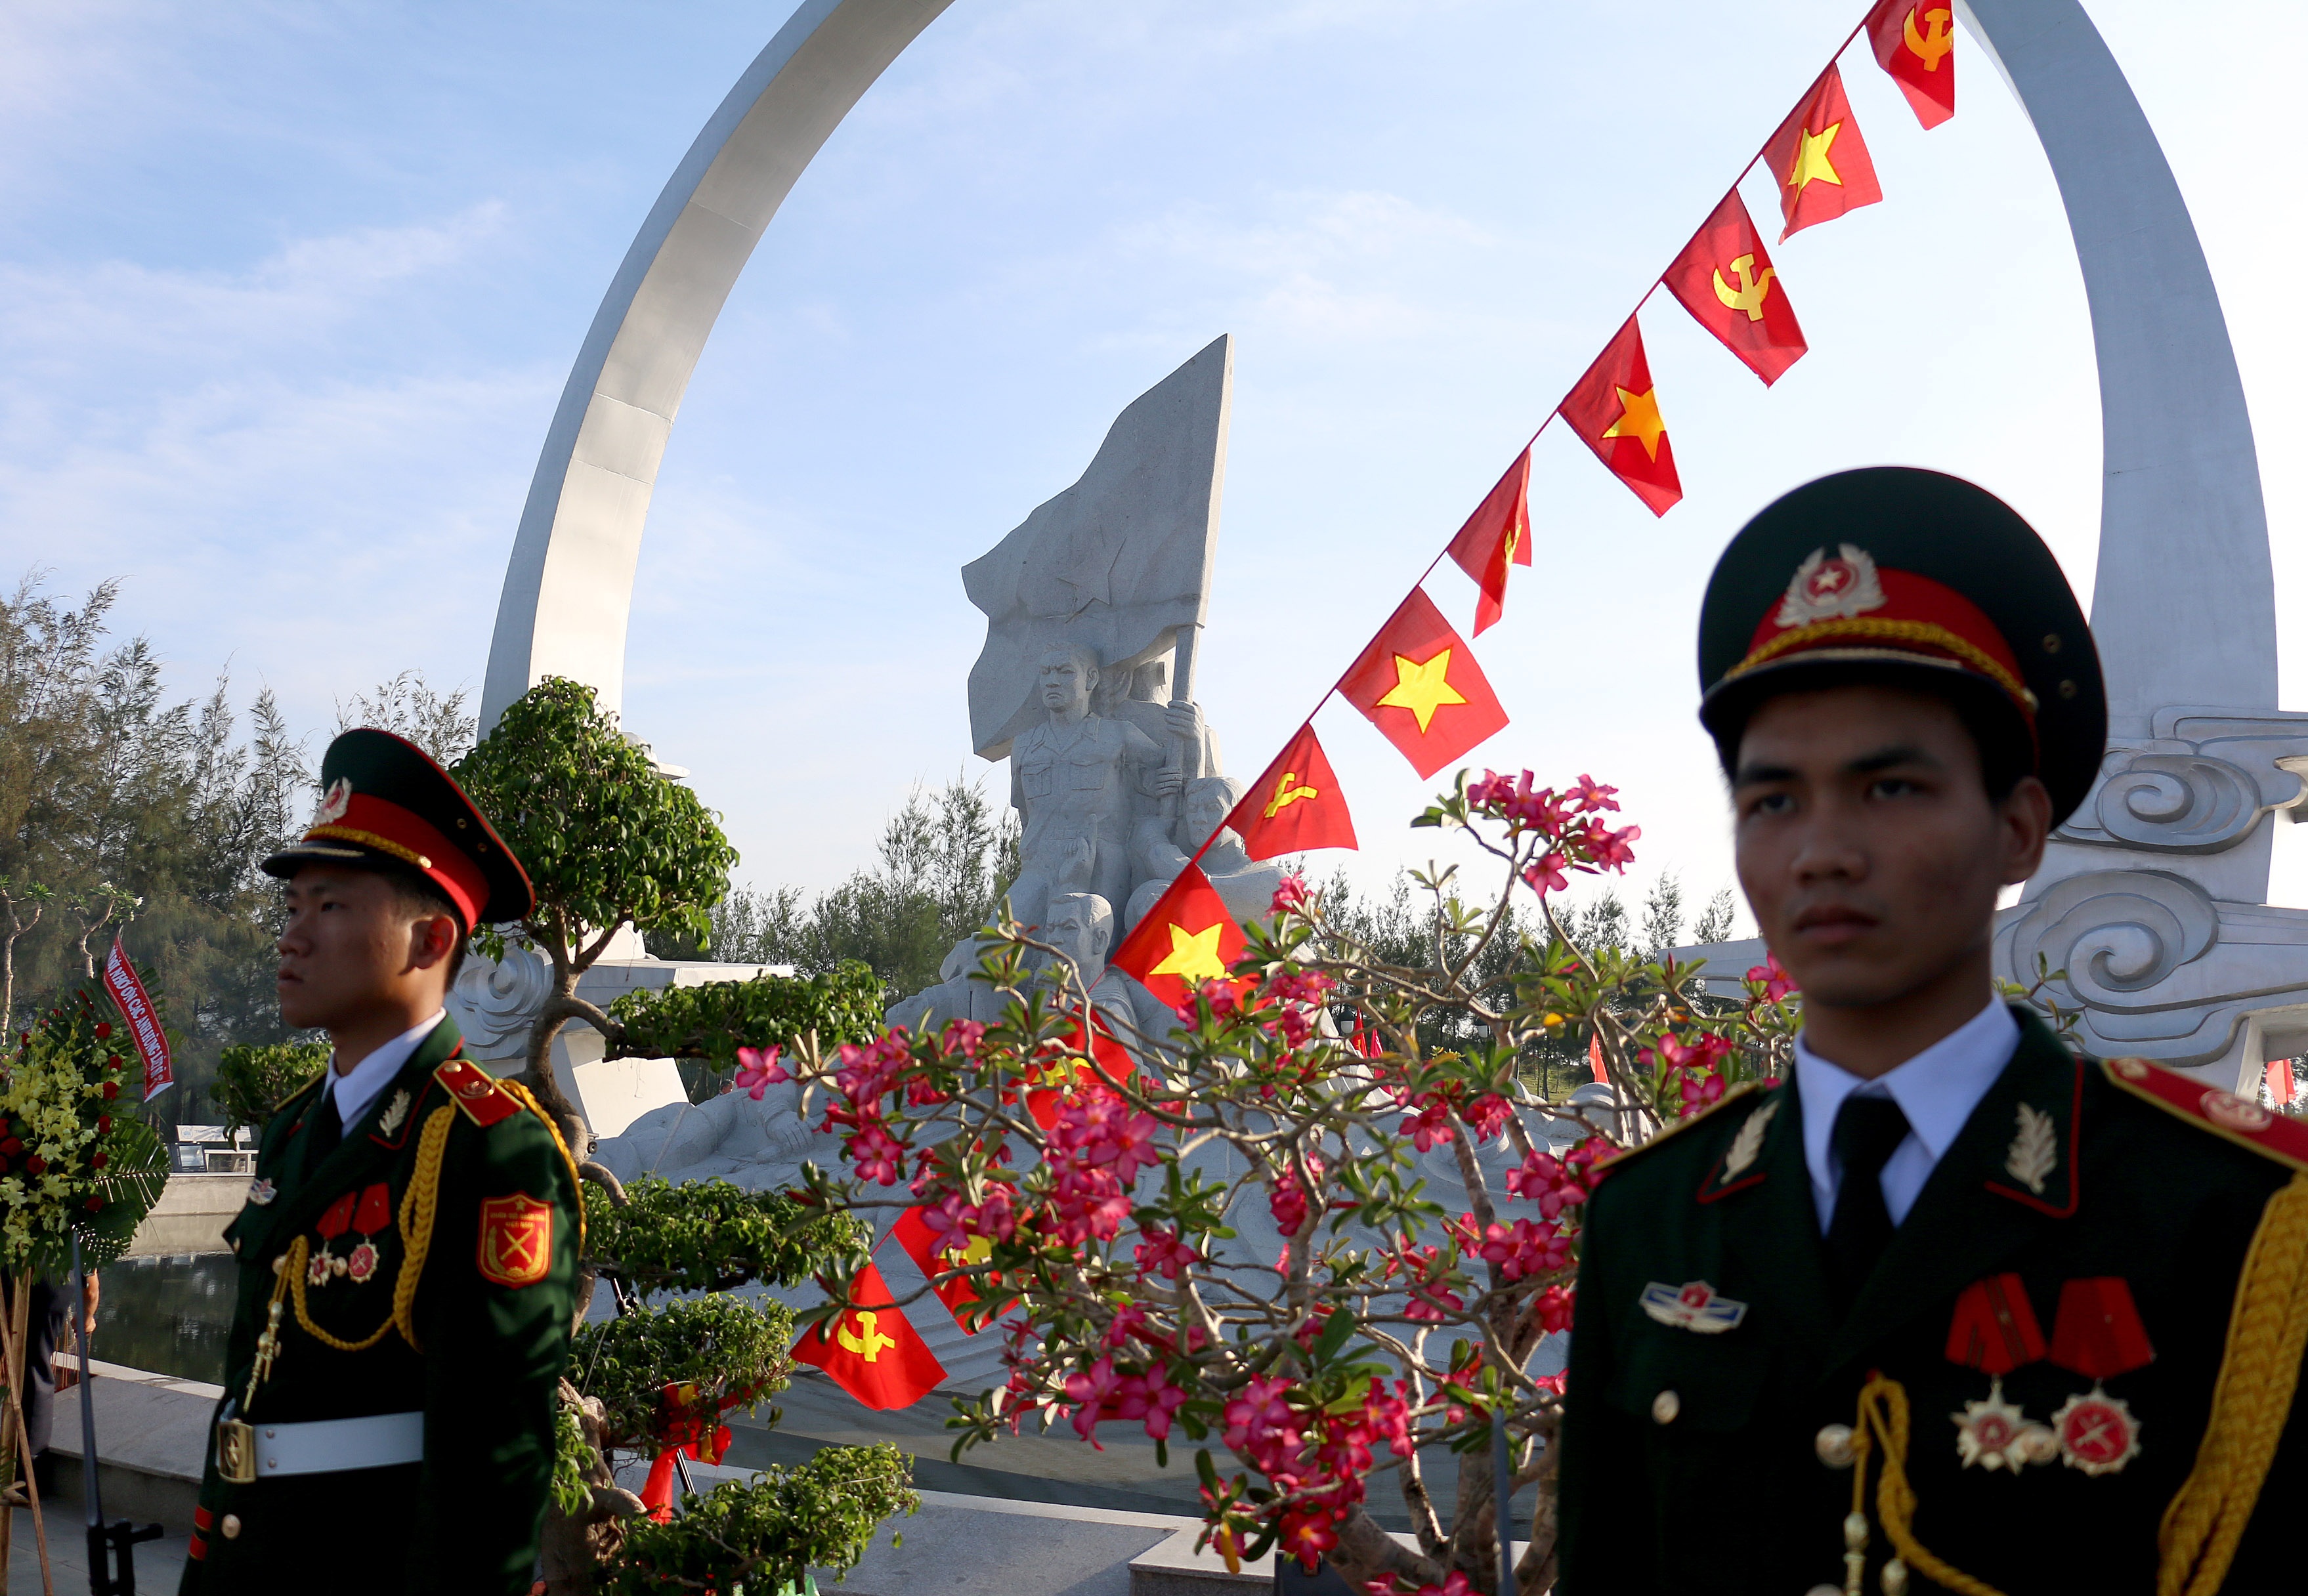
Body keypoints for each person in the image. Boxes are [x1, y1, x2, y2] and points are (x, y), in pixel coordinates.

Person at [1557, 469, 2308, 1595]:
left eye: (1891, 789)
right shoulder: (1652, 1216)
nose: (1822, 852)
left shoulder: (2229, 1214)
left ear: (2019, 830)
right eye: (1773, 801)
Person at [181, 729, 582, 1594]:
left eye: (329, 907)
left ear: (430, 941)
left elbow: (493, 1464)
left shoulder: (490, 1146)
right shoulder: (293, 1130)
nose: (291, 937)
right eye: (293, 907)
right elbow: (250, 1385)